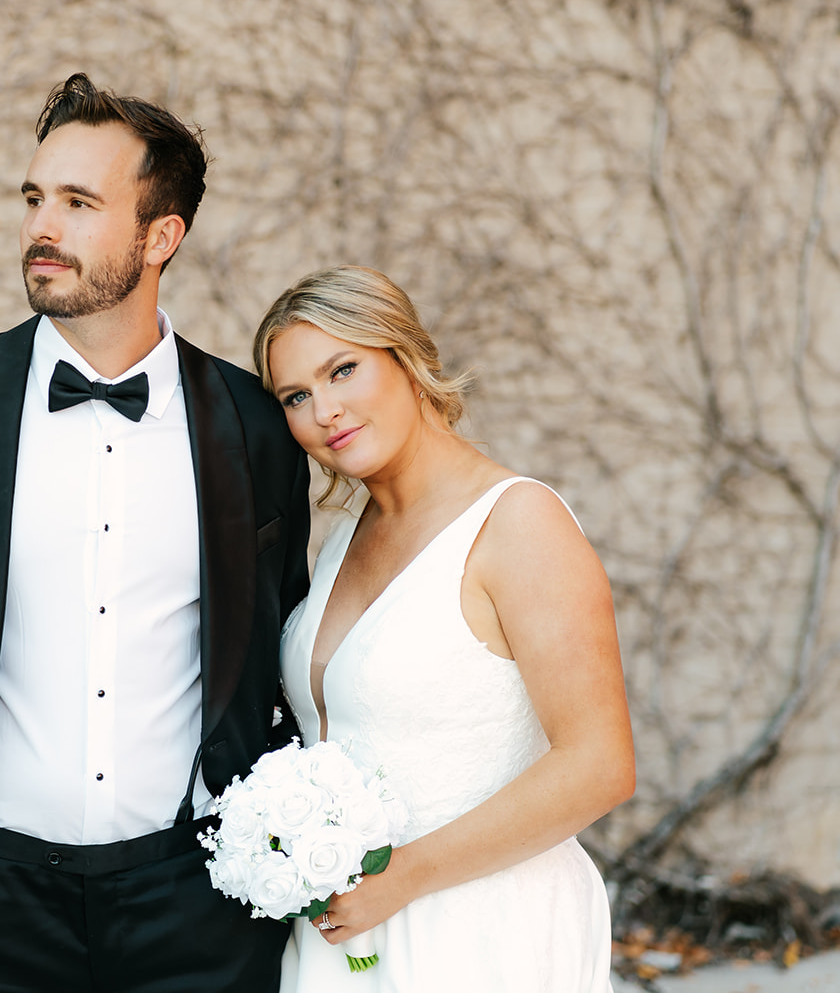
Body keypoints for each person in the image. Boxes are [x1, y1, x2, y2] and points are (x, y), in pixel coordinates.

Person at [0, 73, 311, 992]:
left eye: (81, 203)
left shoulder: (252, 425)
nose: (44, 227)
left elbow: (281, 647)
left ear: (162, 236)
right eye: (36, 197)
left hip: (199, 907)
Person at [254, 265, 634, 992]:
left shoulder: (519, 524)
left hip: (480, 933)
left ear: (405, 356)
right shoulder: (346, 536)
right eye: (296, 395)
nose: (324, 409)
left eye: (344, 370)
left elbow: (601, 762)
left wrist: (404, 876)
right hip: (350, 935)